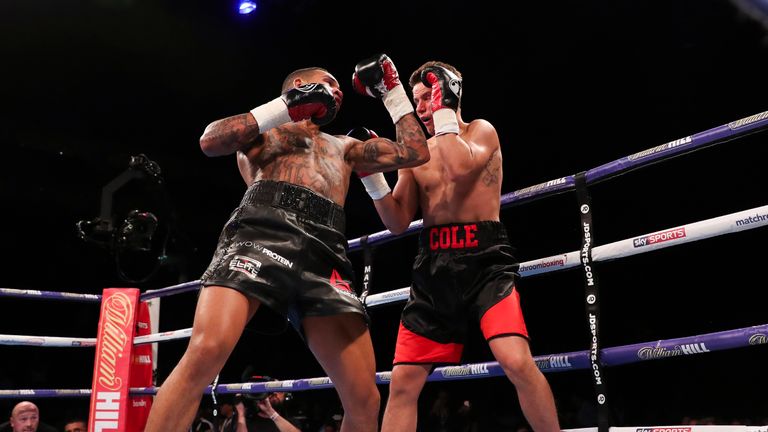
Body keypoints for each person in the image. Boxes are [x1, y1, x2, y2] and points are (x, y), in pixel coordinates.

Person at [144, 53, 429, 432]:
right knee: (205, 353)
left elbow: (416, 153)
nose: (339, 91)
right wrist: (287, 106)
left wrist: (391, 91)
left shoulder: (345, 146)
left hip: (326, 248)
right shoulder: (261, 133)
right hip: (262, 229)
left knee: (365, 399)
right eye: (329, 82)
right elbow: (210, 141)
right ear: (300, 86)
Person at [357, 61, 560, 432]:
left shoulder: (481, 131)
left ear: (448, 93)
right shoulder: (417, 154)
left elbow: (458, 167)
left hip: (485, 260)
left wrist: (444, 107)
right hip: (433, 265)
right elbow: (397, 221)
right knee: (402, 383)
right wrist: (371, 177)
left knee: (516, 362)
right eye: (415, 101)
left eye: (428, 96)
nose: (421, 108)